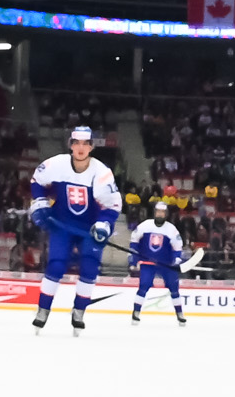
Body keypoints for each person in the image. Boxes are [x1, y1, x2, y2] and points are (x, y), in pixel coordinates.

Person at [29, 126, 121, 334]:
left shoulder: (102, 173)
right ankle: (43, 310)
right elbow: (37, 182)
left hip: (90, 229)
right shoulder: (55, 164)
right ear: (71, 145)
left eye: (85, 144)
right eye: (76, 143)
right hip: (62, 225)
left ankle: (78, 312)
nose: (80, 148)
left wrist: (104, 224)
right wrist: (41, 201)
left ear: (91, 147)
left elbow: (112, 206)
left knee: (89, 268)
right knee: (56, 265)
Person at [129, 200, 187, 326]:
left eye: (162, 212)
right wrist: (133, 259)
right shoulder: (145, 225)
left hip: (166, 264)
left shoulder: (171, 229)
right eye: (158, 211)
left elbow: (177, 248)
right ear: (154, 212)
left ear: (166, 214)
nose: (160, 214)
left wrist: (176, 260)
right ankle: (136, 313)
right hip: (147, 262)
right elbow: (134, 242)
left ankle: (179, 314)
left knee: (174, 288)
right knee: (143, 285)